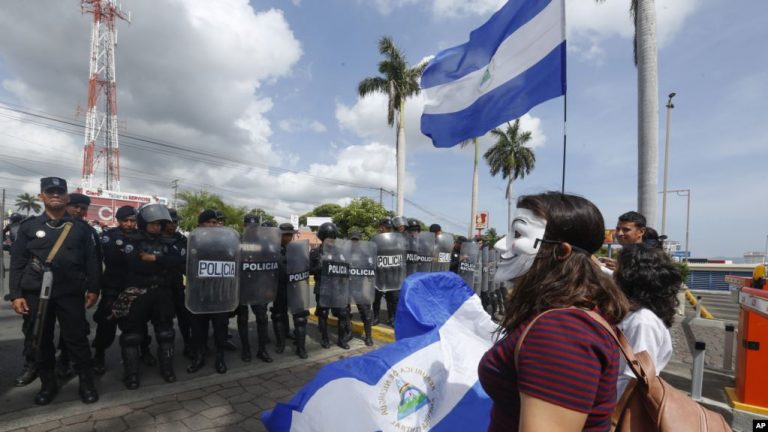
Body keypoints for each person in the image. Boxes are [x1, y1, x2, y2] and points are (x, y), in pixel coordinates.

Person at [478, 191, 629, 431]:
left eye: (517, 234)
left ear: (561, 251)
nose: (499, 244)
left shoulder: (562, 331)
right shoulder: (561, 314)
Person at [9, 177, 100, 405]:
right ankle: (48, 385)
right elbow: (18, 262)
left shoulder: (81, 229)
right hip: (35, 293)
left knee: (77, 339)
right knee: (40, 340)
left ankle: (87, 384)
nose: (56, 194)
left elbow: (92, 261)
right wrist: (16, 294)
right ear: (42, 196)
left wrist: (94, 288)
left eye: (60, 191)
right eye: (50, 191)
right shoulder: (29, 227)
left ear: (67, 196)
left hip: (69, 291)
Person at [113, 204, 182, 389]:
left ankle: (167, 370)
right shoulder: (131, 240)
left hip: (162, 293)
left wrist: (154, 259)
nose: (157, 227)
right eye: (153, 223)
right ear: (144, 223)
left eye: (160, 224)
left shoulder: (167, 242)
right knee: (131, 337)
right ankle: (132, 375)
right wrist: (162, 263)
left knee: (166, 333)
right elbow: (136, 265)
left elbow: (177, 263)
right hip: (138, 293)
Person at [613, 243, 679, 399]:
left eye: (618, 269)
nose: (614, 274)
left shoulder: (642, 321)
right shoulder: (637, 314)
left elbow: (635, 379)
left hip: (617, 405)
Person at [92, 205, 148, 375]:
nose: (130, 224)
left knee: (138, 324)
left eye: (133, 221)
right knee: (106, 324)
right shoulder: (108, 237)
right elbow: (108, 259)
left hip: (135, 287)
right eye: (126, 220)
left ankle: (143, 352)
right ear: (118, 220)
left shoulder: (143, 236)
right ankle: (99, 355)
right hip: (113, 288)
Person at [187, 209, 234, 374]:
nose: (216, 225)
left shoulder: (226, 242)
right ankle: (199, 357)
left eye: (217, 222)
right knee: (198, 329)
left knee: (221, 328)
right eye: (211, 222)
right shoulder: (192, 241)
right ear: (201, 224)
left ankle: (220, 358)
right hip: (199, 293)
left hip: (219, 293)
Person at [233, 217, 274, 364]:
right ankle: (246, 349)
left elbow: (270, 267)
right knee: (242, 319)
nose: (252, 228)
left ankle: (262, 350)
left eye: (254, 226)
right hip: (242, 286)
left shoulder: (265, 244)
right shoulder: (237, 242)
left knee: (262, 318)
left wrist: (269, 287)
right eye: (249, 226)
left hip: (259, 286)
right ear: (244, 226)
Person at [310, 222, 351, 349]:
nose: (331, 241)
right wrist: (320, 266)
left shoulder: (340, 252)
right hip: (322, 288)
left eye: (333, 238)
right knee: (323, 314)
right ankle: (324, 338)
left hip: (338, 289)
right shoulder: (315, 252)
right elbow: (310, 269)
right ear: (322, 238)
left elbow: (347, 268)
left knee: (343, 314)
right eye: (329, 238)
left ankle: (342, 339)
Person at [272, 222, 311, 358]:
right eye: (285, 235)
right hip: (280, 288)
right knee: (278, 315)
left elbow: (307, 266)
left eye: (290, 235)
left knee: (300, 318)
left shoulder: (299, 249)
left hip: (296, 286)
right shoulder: (273, 250)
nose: (288, 237)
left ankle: (301, 348)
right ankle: (280, 343)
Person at [164, 208, 192, 359]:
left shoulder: (182, 240)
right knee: (164, 322)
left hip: (178, 284)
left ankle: (188, 344)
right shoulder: (154, 238)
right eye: (170, 222)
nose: (174, 225)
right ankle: (165, 352)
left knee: (184, 317)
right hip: (161, 285)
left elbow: (188, 262)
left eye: (176, 222)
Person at [372, 218, 393, 326]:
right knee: (376, 298)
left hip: (390, 273)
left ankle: (391, 318)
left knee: (391, 297)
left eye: (389, 228)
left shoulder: (394, 240)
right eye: (386, 227)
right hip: (378, 273)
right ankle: (375, 317)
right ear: (381, 227)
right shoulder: (375, 239)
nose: (387, 230)